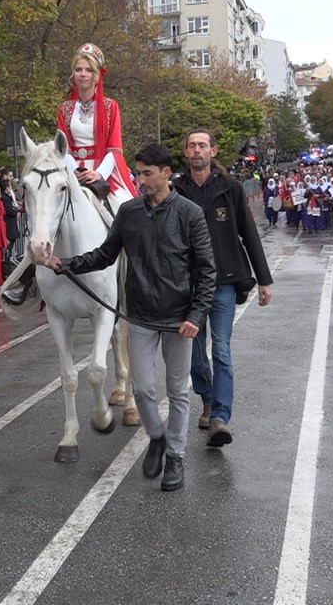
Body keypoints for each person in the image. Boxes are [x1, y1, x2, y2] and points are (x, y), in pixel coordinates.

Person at [47, 143, 216, 491]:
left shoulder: (189, 213)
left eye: (146, 173)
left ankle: (175, 457)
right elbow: (105, 254)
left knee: (178, 390)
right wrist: (68, 265)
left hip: (180, 320)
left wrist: (197, 314)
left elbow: (206, 269)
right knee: (142, 390)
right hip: (139, 315)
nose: (139, 179)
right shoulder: (129, 212)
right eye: (137, 172)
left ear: (166, 173)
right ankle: (156, 436)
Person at [3, 42, 138, 306]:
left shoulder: (111, 107)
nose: (83, 74)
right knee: (45, 214)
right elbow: (61, 147)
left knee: (128, 212)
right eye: (78, 69)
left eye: (88, 69)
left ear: (97, 74)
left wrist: (97, 173)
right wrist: (76, 170)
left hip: (105, 173)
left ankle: (136, 282)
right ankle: (27, 279)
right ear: (73, 74)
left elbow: (115, 148)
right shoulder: (65, 109)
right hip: (70, 171)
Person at [172, 129, 273, 447]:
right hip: (188, 285)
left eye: (203, 145)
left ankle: (220, 418)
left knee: (222, 350)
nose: (198, 150)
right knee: (194, 352)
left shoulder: (230, 188)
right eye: (192, 146)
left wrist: (264, 279)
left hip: (225, 282)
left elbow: (249, 233)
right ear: (186, 152)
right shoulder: (175, 190)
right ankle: (207, 396)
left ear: (213, 151)